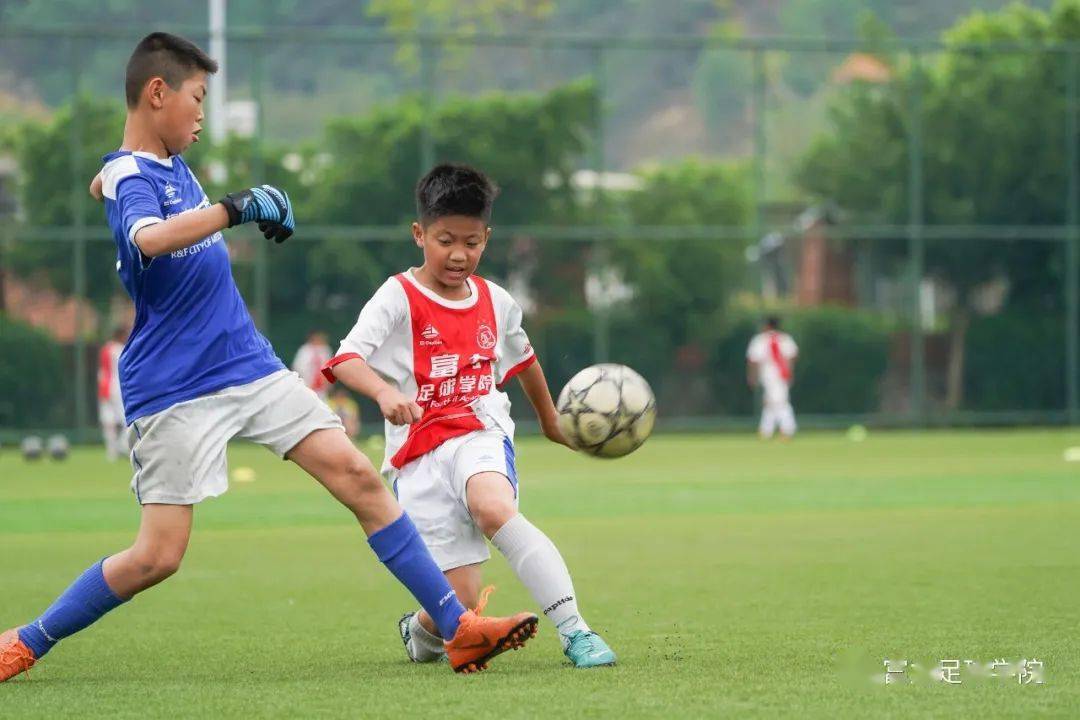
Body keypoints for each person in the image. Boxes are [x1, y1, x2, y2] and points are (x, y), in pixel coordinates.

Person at [0, 33, 536, 683]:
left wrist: (117, 180)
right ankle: (26, 639)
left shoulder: (151, 167)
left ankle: (459, 630)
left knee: (359, 478)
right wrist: (233, 207)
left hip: (248, 365)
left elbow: (112, 182)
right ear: (157, 93)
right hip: (175, 387)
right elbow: (149, 235)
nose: (202, 114)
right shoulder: (133, 175)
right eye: (197, 98)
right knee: (158, 556)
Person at [322, 163, 616, 669]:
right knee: (453, 606)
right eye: (445, 240)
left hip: (479, 428)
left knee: (494, 507)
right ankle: (422, 632)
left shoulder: (497, 301)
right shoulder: (398, 296)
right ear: (419, 235)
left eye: (472, 242)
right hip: (416, 453)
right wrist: (382, 393)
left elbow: (525, 363)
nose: (459, 254)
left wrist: (550, 423)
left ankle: (576, 632)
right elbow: (346, 358)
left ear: (487, 238)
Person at [746, 316, 799, 439]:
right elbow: (793, 356)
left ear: (767, 325)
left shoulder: (760, 340)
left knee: (779, 402)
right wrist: (790, 371)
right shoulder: (785, 339)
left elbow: (753, 360)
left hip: (771, 375)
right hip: (782, 375)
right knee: (772, 402)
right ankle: (767, 430)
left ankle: (786, 429)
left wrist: (752, 376)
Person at [97, 326, 128, 461]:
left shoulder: (105, 348)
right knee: (125, 419)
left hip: (104, 386)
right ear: (120, 336)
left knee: (108, 420)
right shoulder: (119, 349)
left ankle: (112, 452)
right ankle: (123, 445)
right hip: (117, 387)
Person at [292, 330, 332, 399]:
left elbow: (329, 367)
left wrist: (327, 380)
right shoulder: (305, 350)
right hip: (307, 384)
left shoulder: (326, 350)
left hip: (322, 387)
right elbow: (298, 367)